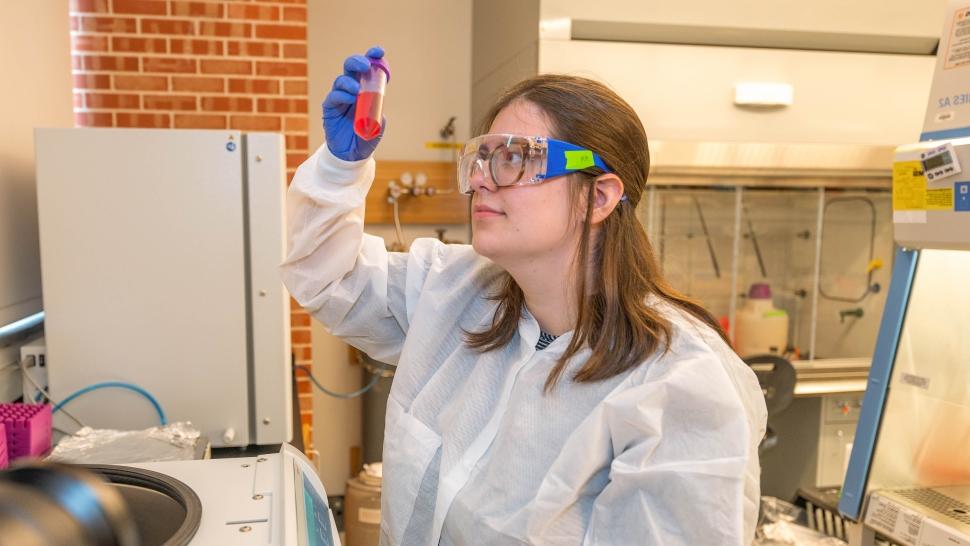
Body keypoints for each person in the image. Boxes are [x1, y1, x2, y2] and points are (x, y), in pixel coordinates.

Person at [281, 47, 768, 545]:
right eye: (482, 158)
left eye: (513, 157)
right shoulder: (456, 291)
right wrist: (343, 165)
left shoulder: (680, 385)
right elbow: (326, 274)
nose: (478, 181)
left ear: (598, 196)